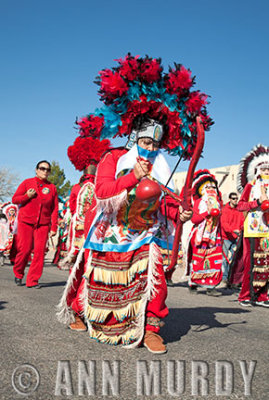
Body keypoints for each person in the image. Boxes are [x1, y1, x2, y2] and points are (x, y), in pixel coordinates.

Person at [62, 54, 213, 353]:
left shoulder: (160, 166)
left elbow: (167, 201)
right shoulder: (114, 158)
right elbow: (104, 191)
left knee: (154, 274)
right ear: (134, 137)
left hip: (146, 231)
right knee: (96, 276)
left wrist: (182, 212)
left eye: (156, 145)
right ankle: (80, 310)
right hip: (111, 230)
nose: (150, 149)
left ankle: (153, 327)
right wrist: (132, 177)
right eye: (146, 143)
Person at [57, 135, 111, 331]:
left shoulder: (103, 185)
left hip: (100, 233)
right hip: (81, 234)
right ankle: (75, 311)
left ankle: (97, 311)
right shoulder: (77, 187)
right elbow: (73, 211)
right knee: (79, 270)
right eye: (90, 164)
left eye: (95, 163)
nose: (93, 167)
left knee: (99, 271)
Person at [12, 160, 58, 288]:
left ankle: (32, 280)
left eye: (47, 169)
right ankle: (18, 272)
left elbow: (54, 209)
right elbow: (15, 199)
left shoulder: (52, 188)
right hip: (26, 221)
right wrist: (27, 196)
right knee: (25, 249)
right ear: (36, 170)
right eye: (42, 168)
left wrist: (53, 227)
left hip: (42, 224)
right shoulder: (27, 183)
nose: (45, 171)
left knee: (39, 252)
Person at [236, 144, 269, 307]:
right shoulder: (251, 186)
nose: (267, 173)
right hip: (253, 229)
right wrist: (256, 202)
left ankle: (262, 295)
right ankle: (245, 295)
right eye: (264, 170)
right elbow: (240, 205)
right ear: (257, 170)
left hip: (267, 231)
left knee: (266, 264)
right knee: (250, 263)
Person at [186, 169, 223, 296]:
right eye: (207, 186)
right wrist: (207, 212)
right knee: (198, 259)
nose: (211, 188)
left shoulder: (219, 203)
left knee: (213, 260)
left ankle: (211, 285)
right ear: (202, 189)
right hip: (199, 235)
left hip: (214, 235)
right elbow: (194, 219)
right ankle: (193, 282)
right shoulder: (198, 202)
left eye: (213, 186)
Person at [220, 192, 244, 286]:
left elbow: (242, 221)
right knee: (225, 259)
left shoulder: (239, 210)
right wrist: (232, 230)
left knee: (234, 259)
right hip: (226, 238)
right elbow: (224, 224)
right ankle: (225, 278)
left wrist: (241, 229)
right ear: (229, 199)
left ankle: (232, 279)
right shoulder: (225, 210)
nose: (235, 200)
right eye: (233, 198)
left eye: (236, 198)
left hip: (235, 238)